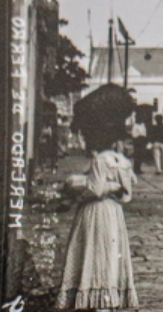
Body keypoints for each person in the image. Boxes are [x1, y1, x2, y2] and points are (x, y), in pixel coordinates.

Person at [57, 121, 138, 309]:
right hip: (114, 211)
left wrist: (75, 197)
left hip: (96, 210)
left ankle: (98, 298)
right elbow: (128, 189)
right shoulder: (122, 161)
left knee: (94, 250)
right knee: (110, 252)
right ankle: (109, 296)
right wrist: (114, 186)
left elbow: (95, 189)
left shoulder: (100, 160)